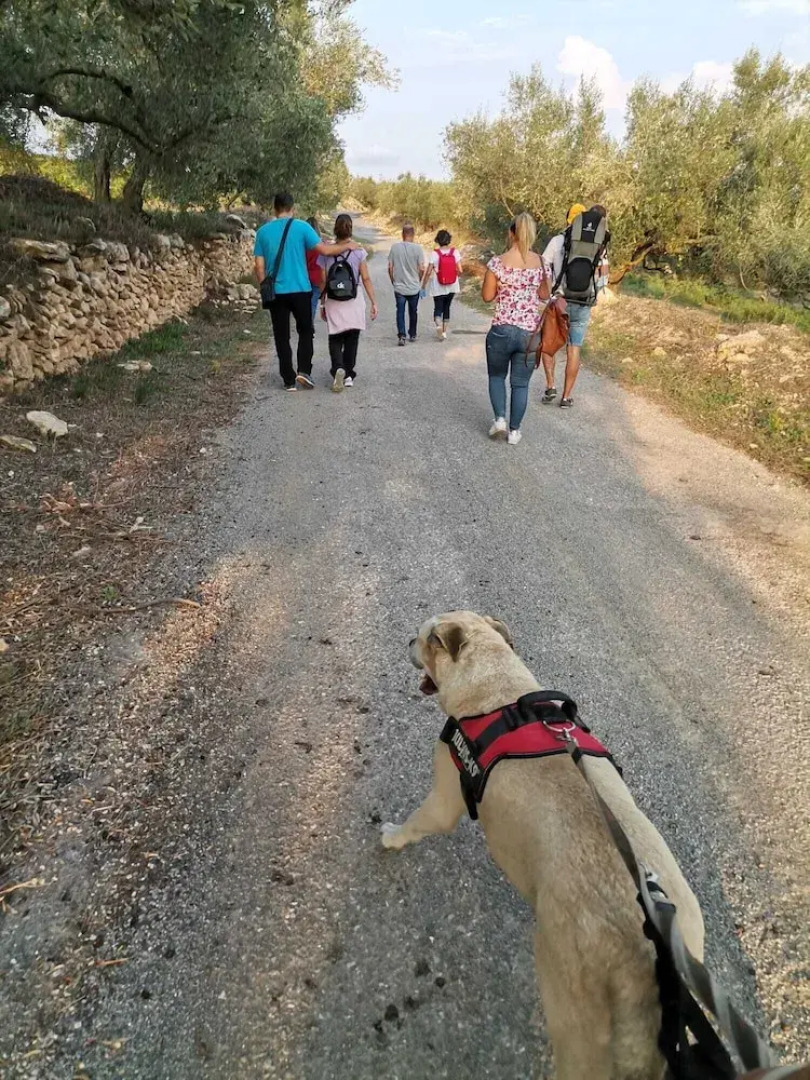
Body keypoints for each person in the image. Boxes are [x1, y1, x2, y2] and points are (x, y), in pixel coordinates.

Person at [254, 193, 357, 391]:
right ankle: (304, 371)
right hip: (301, 289)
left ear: (274, 209)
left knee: (281, 335)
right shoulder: (302, 227)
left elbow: (259, 266)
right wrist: (347, 245)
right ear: (293, 208)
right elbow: (325, 251)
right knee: (305, 331)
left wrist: (264, 285)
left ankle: (288, 380)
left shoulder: (263, 232)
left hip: (276, 292)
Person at [481, 212, 550, 446]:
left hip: (501, 329)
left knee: (497, 376)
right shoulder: (542, 263)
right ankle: (515, 432)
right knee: (520, 384)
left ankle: (499, 419)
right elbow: (544, 295)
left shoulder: (497, 262)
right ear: (532, 234)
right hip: (529, 334)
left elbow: (487, 296)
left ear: (511, 233)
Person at [541, 202, 609, 409]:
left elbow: (543, 265)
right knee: (574, 347)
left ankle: (551, 385)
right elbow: (604, 278)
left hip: (559, 300)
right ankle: (566, 396)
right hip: (583, 302)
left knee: (548, 343)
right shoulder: (599, 246)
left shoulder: (558, 240)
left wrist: (550, 287)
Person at [318, 213, 378, 392]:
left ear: (335, 229)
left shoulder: (327, 252)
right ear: (350, 229)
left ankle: (338, 369)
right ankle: (349, 375)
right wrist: (374, 302)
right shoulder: (359, 252)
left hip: (334, 300)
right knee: (352, 338)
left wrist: (323, 302)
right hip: (354, 299)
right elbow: (365, 278)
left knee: (335, 337)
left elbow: (322, 281)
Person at [388, 223, 426, 345]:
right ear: (413, 235)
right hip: (414, 286)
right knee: (413, 311)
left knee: (400, 311)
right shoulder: (418, 249)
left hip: (399, 287)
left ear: (402, 234)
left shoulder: (394, 248)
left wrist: (392, 280)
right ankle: (413, 334)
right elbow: (422, 268)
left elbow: (390, 267)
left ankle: (402, 335)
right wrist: (418, 280)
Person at [422, 229, 462, 340]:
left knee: (438, 308)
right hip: (452, 285)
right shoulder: (455, 252)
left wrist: (423, 286)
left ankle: (438, 325)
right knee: (447, 307)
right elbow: (460, 270)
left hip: (438, 286)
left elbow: (429, 272)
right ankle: (444, 332)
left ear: (438, 240)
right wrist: (453, 274)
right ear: (449, 240)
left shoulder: (434, 254)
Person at [305, 216, 323, 325]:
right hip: (317, 278)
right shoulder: (320, 245)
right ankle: (309, 326)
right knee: (313, 303)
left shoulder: (303, 245)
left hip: (304, 277)